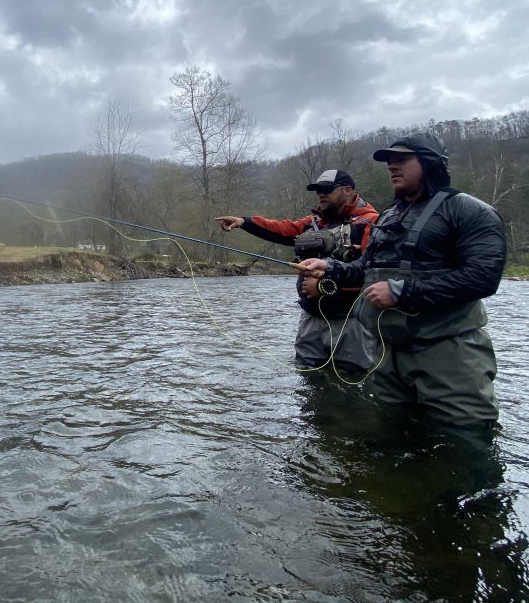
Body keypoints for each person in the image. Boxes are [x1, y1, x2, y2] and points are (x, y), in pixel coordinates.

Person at [294, 133, 506, 429]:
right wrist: (329, 268)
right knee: (390, 435)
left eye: (402, 159)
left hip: (449, 354)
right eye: (390, 161)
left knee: (463, 442)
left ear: (431, 162)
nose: (392, 166)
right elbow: (365, 267)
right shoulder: (389, 216)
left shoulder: (470, 211)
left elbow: (483, 279)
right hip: (389, 355)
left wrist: (402, 292)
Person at [215, 169, 379, 375]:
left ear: (347, 191)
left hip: (351, 322)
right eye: (318, 190)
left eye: (326, 189)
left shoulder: (370, 223)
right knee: (307, 379)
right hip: (311, 318)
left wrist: (324, 287)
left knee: (353, 381)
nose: (320, 194)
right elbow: (281, 229)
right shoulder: (315, 223)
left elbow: (371, 274)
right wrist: (244, 222)